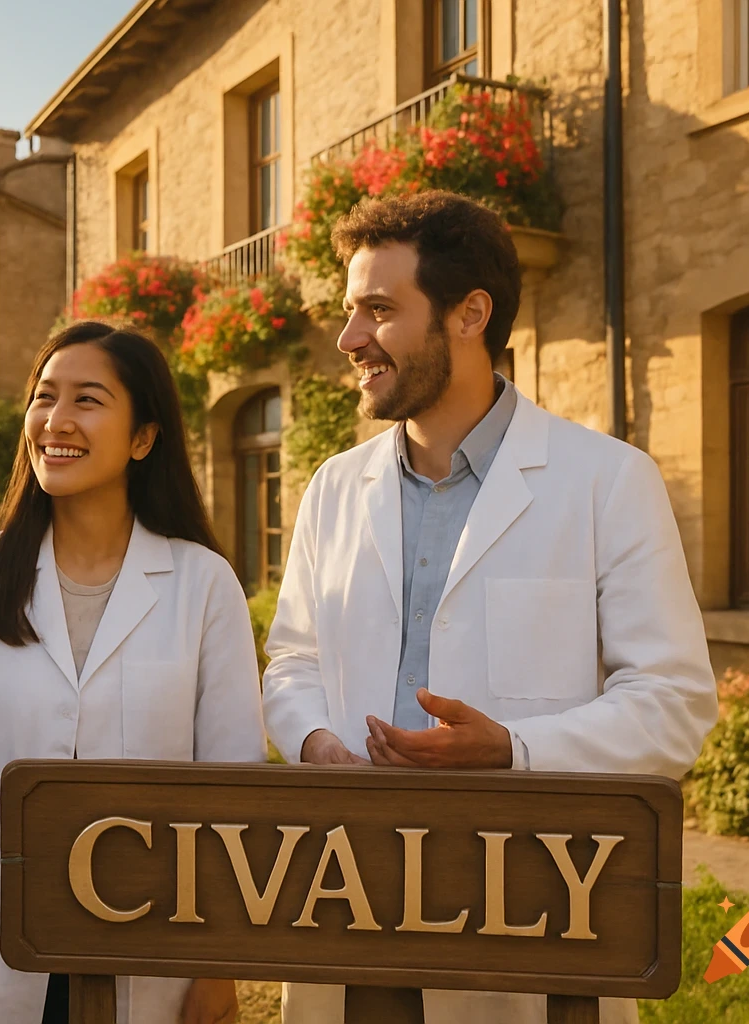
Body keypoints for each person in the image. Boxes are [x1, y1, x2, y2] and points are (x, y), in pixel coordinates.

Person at [262, 191, 718, 1024]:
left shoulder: (607, 482)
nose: (349, 338)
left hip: (538, 913)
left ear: (471, 313)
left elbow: (674, 703)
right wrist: (316, 740)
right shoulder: (334, 488)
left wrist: (514, 750)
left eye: (378, 310)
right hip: (350, 900)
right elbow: (292, 658)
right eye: (348, 311)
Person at [0, 321, 266, 1024]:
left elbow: (229, 793)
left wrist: (219, 965)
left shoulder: (201, 583)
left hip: (155, 943)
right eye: (44, 397)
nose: (55, 421)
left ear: (143, 438)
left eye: (87, 400)